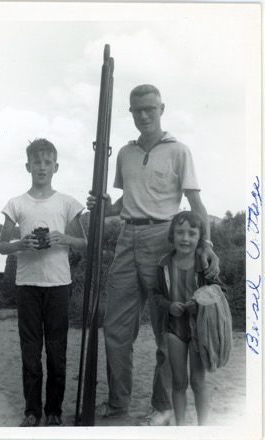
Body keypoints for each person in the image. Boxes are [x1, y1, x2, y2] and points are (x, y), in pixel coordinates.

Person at [86, 84, 219, 426]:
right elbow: (123, 203)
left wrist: (206, 245)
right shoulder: (126, 153)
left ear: (162, 109)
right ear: (130, 113)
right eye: (136, 110)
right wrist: (101, 208)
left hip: (163, 238)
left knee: (168, 329)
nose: (143, 115)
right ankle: (118, 404)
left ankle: (161, 408)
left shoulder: (179, 151)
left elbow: (196, 204)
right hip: (126, 237)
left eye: (149, 108)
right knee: (115, 328)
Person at [0, 138, 87, 427]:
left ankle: (54, 411)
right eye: (36, 162)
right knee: (31, 352)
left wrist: (65, 239)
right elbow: (1, 246)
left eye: (47, 162)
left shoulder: (68, 203)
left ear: (56, 167)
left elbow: (84, 244)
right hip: (28, 286)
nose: (42, 167)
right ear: (28, 166)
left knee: (57, 352)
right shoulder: (16, 204)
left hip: (59, 285)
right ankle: (32, 411)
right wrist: (20, 244)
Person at [153, 211, 224, 426]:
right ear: (172, 235)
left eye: (192, 233)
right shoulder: (164, 263)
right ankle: (181, 428)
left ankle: (203, 428)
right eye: (180, 232)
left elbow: (219, 290)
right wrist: (168, 306)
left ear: (200, 238)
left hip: (198, 329)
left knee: (197, 381)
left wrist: (200, 302)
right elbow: (156, 295)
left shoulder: (203, 263)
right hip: (175, 329)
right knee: (178, 381)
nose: (185, 238)